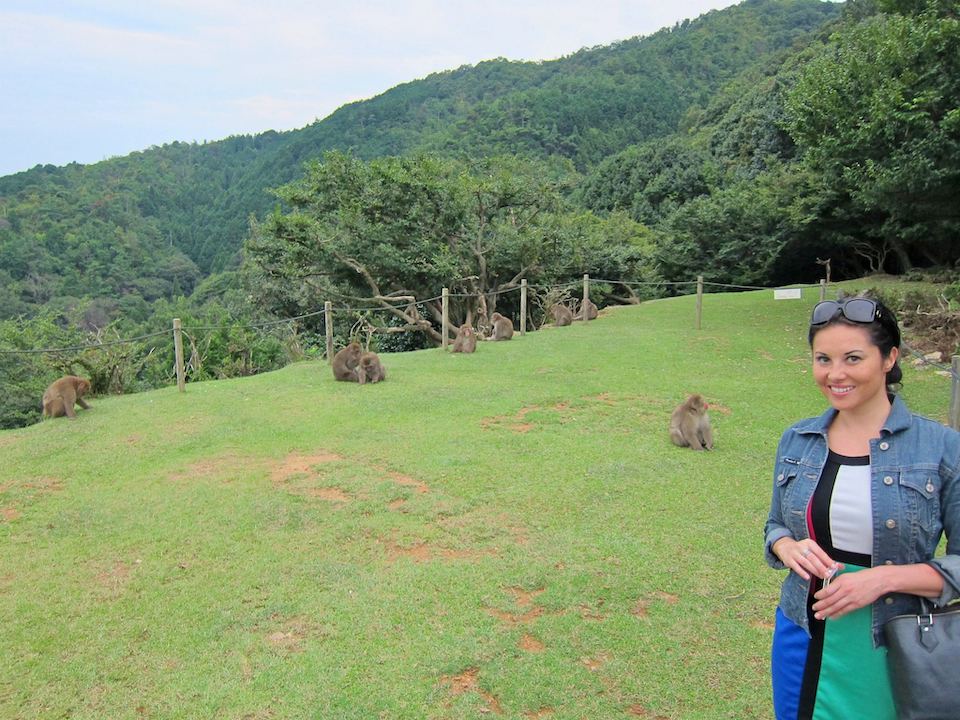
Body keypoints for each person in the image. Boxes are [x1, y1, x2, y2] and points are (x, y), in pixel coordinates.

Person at [764, 296, 960, 720]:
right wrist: (787, 547)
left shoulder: (941, 447)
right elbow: (776, 525)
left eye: (853, 358)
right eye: (823, 359)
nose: (836, 374)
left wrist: (883, 580)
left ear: (890, 358)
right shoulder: (797, 440)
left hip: (895, 641)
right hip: (802, 630)